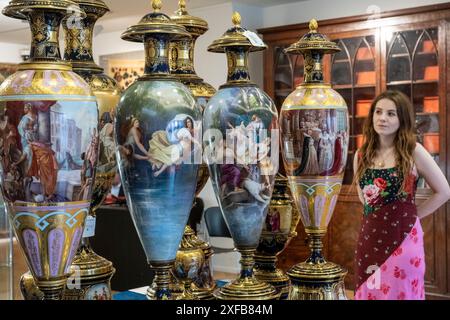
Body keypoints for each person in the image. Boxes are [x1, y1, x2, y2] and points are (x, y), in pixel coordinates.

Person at [353, 90, 450, 300]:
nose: (382, 118)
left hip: (404, 240)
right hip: (369, 240)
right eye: (378, 112)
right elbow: (364, 199)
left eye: (391, 113)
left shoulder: (414, 151)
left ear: (402, 119)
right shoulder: (360, 155)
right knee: (369, 292)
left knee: (402, 292)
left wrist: (412, 216)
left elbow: (444, 192)